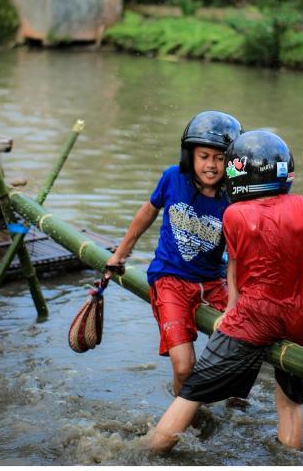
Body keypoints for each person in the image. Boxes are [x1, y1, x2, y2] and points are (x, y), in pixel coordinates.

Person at [149, 129, 303, 453]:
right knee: (291, 402)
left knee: (191, 392)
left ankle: (148, 455)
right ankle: (290, 459)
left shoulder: (234, 213)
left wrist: (230, 312)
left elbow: (235, 268)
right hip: (299, 323)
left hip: (252, 319)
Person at [104, 110, 243, 396]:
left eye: (219, 158)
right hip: (170, 281)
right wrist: (120, 253)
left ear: (231, 164)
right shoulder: (172, 177)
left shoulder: (234, 200)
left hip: (213, 282)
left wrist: (233, 304)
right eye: (204, 156)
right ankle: (183, 418)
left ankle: (232, 399)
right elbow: (148, 211)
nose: (211, 165)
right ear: (189, 155)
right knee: (183, 367)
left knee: (242, 342)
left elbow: (236, 256)